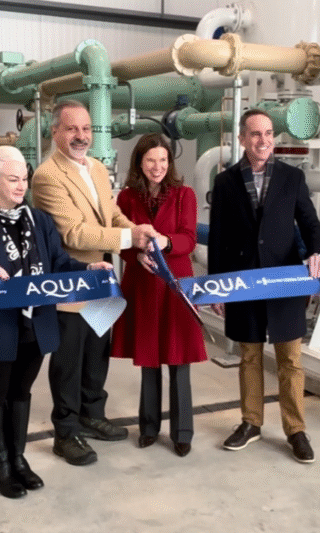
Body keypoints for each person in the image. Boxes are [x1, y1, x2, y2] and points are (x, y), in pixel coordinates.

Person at [0, 146, 113, 497]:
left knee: (21, 392)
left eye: (24, 179)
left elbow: (59, 263)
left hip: (36, 322)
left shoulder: (40, 220)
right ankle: (0, 466)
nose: (21, 186)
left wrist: (87, 268)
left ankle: (18, 459)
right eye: (13, 179)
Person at [31, 100, 162, 466]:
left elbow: (112, 214)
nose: (81, 136)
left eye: (86, 129)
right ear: (55, 131)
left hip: (102, 279)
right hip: (71, 281)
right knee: (69, 360)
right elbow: (73, 233)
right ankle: (66, 432)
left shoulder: (98, 168)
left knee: (96, 352)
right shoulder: (47, 175)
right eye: (72, 128)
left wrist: (137, 232)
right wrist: (129, 239)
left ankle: (92, 415)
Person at [208, 109, 320, 464]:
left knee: (290, 358)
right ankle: (251, 422)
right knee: (249, 356)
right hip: (243, 280)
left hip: (284, 281)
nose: (264, 140)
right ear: (242, 139)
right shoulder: (226, 182)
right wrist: (217, 287)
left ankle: (296, 430)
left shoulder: (292, 177)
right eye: (256, 134)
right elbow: (219, 239)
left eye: (269, 133)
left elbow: (310, 222)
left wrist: (318, 252)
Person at [110, 133, 207, 457]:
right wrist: (135, 255)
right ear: (139, 162)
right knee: (148, 359)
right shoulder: (126, 197)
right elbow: (120, 241)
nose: (157, 166)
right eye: (151, 160)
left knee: (179, 360)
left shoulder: (184, 195)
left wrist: (166, 242)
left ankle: (182, 433)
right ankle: (148, 428)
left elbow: (189, 239)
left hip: (176, 286)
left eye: (163, 160)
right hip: (142, 285)